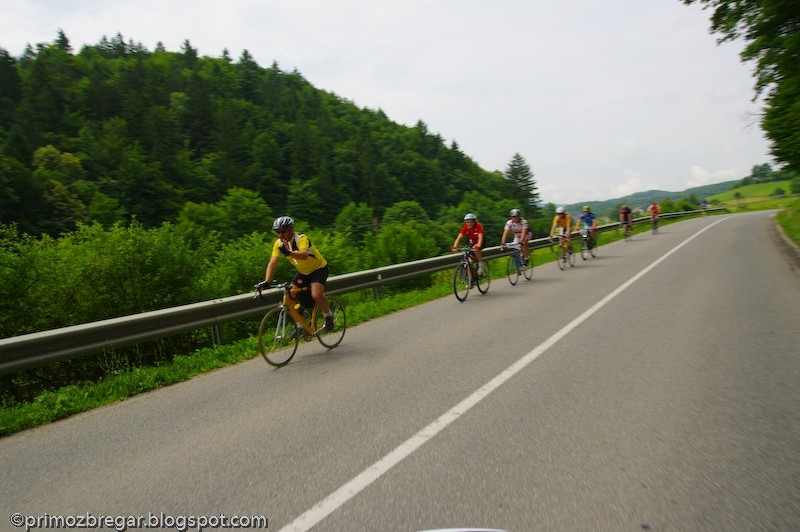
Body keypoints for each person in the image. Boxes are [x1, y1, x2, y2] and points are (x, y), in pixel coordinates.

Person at [260, 216, 334, 331]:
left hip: (319, 269)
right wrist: (266, 281)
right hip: (303, 272)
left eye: (283, 231)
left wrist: (288, 252)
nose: (280, 235)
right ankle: (300, 325)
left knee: (316, 295)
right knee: (289, 296)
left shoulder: (301, 238)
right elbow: (272, 263)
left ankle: (328, 315)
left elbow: (303, 255)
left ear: (291, 230)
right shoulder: (278, 244)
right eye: (277, 232)